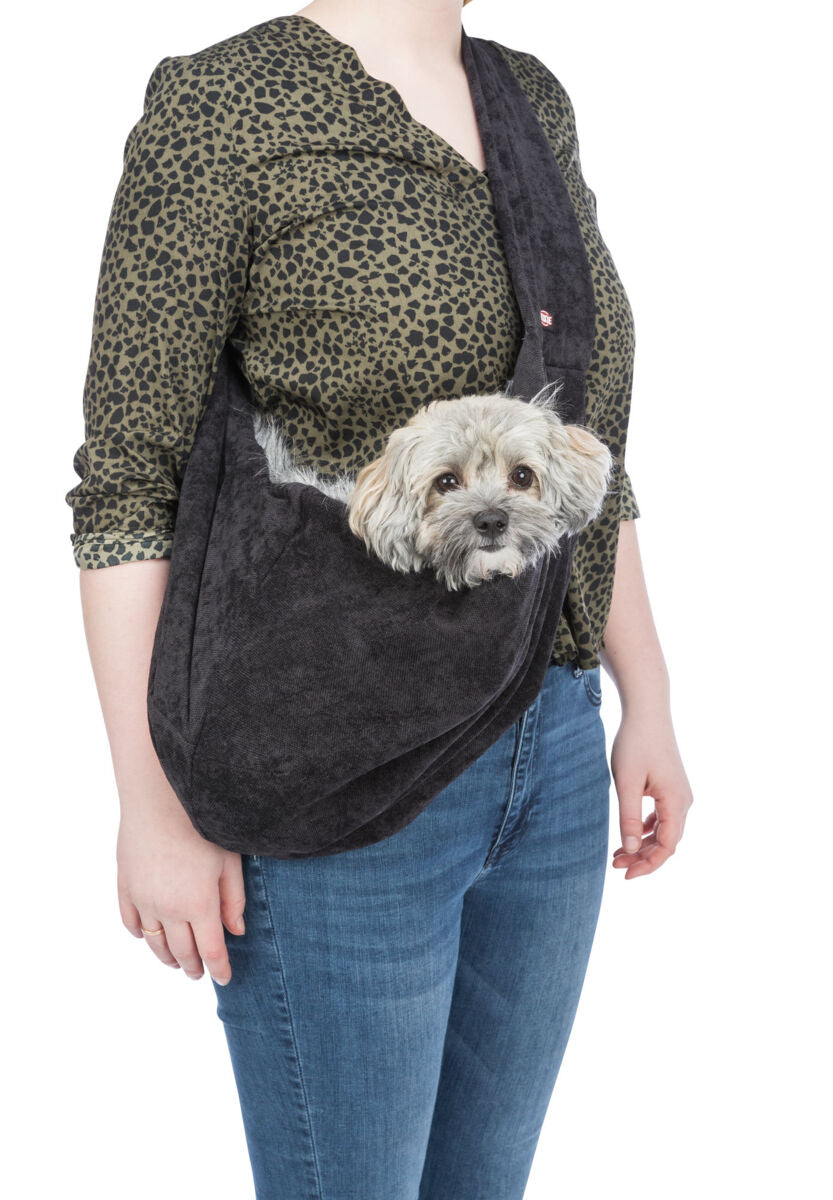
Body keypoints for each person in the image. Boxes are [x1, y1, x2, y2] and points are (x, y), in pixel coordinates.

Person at [66, 2, 694, 1195]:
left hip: (550, 752)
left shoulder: (529, 98)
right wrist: (153, 803)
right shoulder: (223, 107)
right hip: (334, 767)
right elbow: (128, 486)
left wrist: (645, 695)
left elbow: (586, 443)